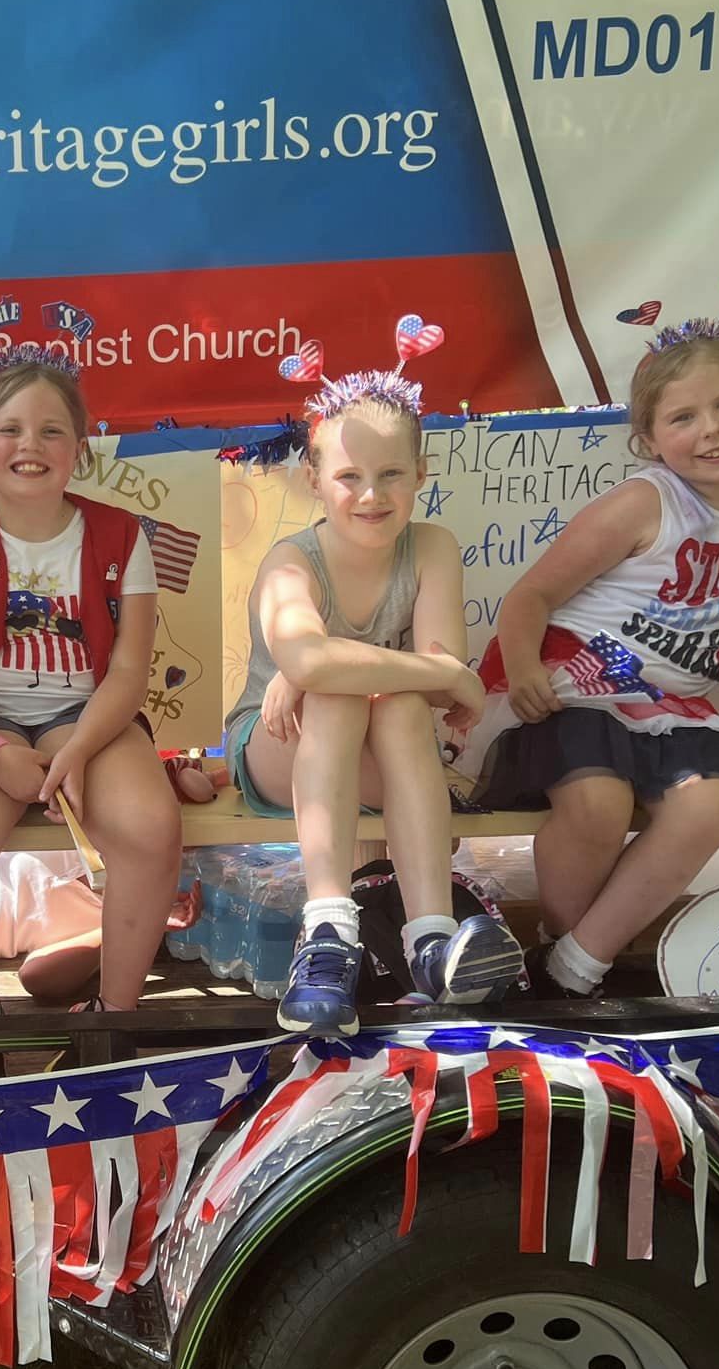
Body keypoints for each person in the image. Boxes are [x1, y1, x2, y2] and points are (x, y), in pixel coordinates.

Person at [454, 320, 719, 999]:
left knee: (714, 804)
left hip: (677, 706)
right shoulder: (645, 501)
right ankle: (565, 947)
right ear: (651, 439)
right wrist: (520, 673)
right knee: (598, 805)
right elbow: (530, 595)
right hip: (581, 682)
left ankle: (576, 965)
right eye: (683, 417)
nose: (711, 428)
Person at [224, 354, 525, 1034]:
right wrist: (441, 675)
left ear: (421, 475)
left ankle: (431, 942)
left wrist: (343, 667)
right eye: (349, 477)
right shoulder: (291, 562)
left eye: (391, 474)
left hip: (386, 753)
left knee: (389, 705)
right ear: (314, 481)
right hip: (277, 747)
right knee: (338, 698)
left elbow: (412, 661)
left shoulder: (432, 547)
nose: (371, 494)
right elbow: (318, 659)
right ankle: (328, 933)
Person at [0, 343, 181, 1025]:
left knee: (151, 828)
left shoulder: (122, 536)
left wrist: (79, 752)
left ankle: (114, 1019)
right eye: (11, 429)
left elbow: (127, 673)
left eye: (52, 430)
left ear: (80, 449)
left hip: (89, 718)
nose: (30, 445)